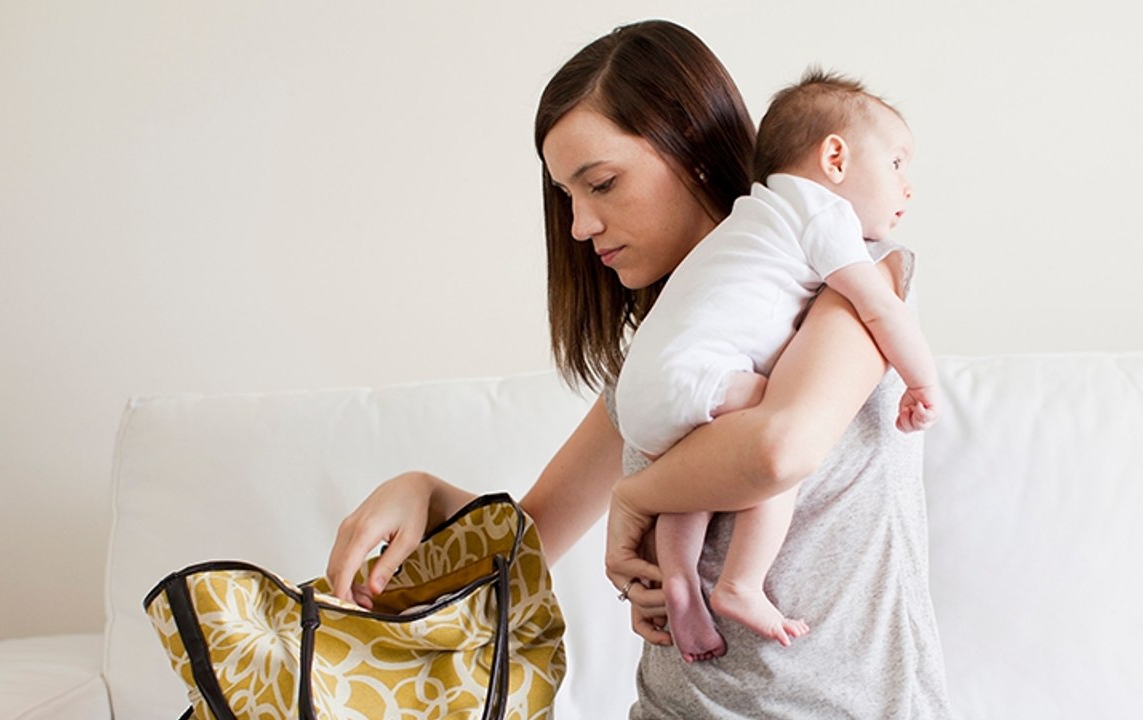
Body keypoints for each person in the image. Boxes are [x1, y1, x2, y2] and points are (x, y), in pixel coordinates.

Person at [327, 19, 952, 719]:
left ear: (692, 148)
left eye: (602, 183)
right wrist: (426, 491)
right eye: (567, 196)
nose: (579, 226)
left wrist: (637, 497)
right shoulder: (656, 373)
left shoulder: (859, 277)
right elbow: (529, 543)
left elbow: (781, 447)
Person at [615, 70, 939, 663]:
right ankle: (741, 581)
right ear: (835, 157)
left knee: (695, 475)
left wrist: (635, 495)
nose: (907, 187)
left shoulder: (751, 222)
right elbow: (879, 312)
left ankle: (682, 578)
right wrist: (922, 381)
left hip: (646, 391)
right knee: (768, 415)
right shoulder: (822, 215)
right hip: (695, 377)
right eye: (896, 164)